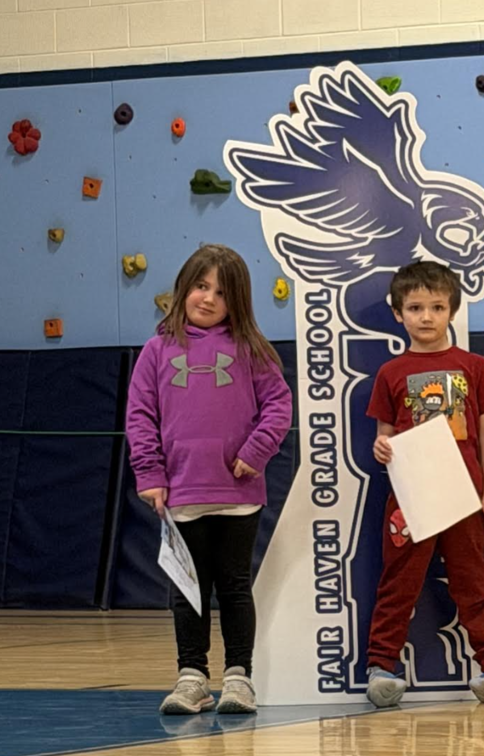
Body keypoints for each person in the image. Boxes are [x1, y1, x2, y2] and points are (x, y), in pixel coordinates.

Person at [126, 244, 293, 715]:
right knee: (187, 590)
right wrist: (150, 474)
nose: (207, 298)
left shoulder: (251, 350)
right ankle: (192, 677)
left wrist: (255, 452)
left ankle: (239, 677)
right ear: (184, 288)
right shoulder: (156, 351)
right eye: (201, 286)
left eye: (221, 292)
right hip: (182, 494)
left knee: (235, 586)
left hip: (238, 494)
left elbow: (279, 407)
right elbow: (140, 416)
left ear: (236, 301)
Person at [364, 260, 484, 708]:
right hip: (410, 497)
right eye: (414, 307)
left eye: (436, 306)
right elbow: (383, 437)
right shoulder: (390, 373)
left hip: (464, 497)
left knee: (473, 580)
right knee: (399, 580)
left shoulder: (474, 366)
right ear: (398, 314)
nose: (426, 316)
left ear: (452, 311)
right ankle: (381, 666)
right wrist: (382, 448)